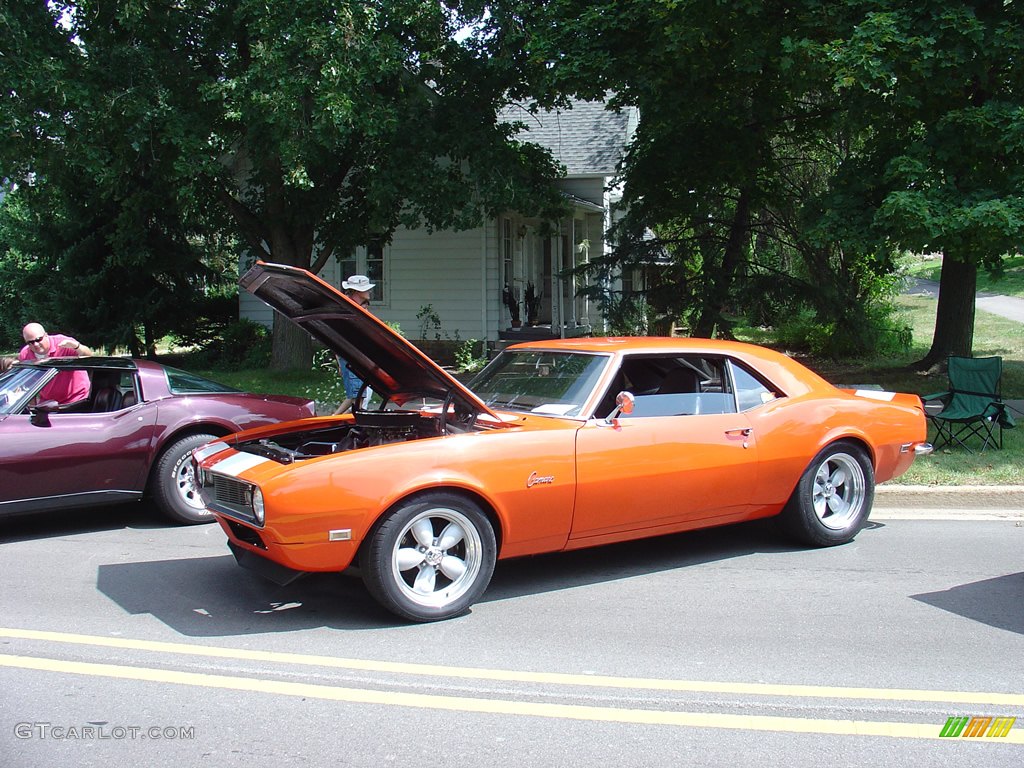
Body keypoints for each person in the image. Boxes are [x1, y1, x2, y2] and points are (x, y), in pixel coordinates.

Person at [18, 322, 94, 405]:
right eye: (30, 342)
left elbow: (89, 357)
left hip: (77, 399)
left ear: (46, 335)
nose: (35, 344)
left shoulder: (63, 343)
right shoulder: (25, 355)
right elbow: (28, 386)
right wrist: (32, 409)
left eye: (38, 339)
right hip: (48, 403)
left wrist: (77, 347)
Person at [333, 275, 375, 415]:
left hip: (358, 356)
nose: (369, 292)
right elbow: (336, 336)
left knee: (358, 395)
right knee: (358, 398)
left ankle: (333, 419)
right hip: (351, 356)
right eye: (366, 289)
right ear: (356, 292)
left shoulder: (359, 307)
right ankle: (350, 425)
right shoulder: (346, 309)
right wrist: (340, 361)